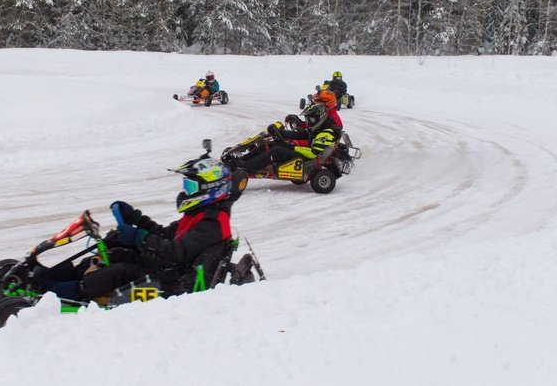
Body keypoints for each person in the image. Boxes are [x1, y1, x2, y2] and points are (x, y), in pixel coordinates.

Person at [33, 155, 242, 300]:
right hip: (172, 267)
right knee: (116, 252)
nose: (186, 192)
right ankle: (55, 278)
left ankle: (61, 295)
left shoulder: (212, 224)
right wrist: (136, 218)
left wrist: (138, 237)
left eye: (190, 187)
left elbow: (175, 252)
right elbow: (166, 235)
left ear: (210, 189)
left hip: (176, 281)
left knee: (120, 271)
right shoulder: (202, 215)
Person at [238, 104, 337, 173]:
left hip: (309, 160)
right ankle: (242, 160)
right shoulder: (318, 130)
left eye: (310, 119)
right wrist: (278, 131)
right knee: (271, 144)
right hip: (305, 155)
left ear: (320, 118)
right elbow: (297, 135)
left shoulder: (326, 134)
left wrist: (291, 147)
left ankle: (247, 167)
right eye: (307, 119)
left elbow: (312, 153)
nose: (308, 122)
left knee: (277, 150)